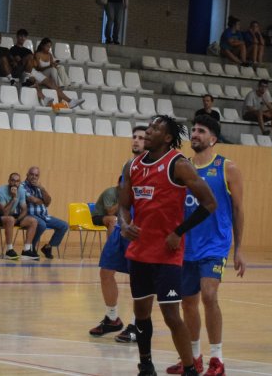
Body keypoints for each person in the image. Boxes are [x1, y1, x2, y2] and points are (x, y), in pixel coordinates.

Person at [118, 116, 218, 376]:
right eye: (148, 127)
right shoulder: (132, 165)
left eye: (154, 129)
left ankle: (189, 369)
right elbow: (122, 205)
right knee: (141, 313)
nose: (147, 132)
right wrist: (124, 224)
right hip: (139, 253)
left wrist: (178, 232)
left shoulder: (179, 165)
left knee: (172, 315)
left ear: (166, 137)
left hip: (167, 255)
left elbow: (209, 203)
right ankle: (146, 365)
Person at [164, 115, 245, 376]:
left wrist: (239, 249)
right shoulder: (183, 167)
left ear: (213, 138)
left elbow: (238, 209)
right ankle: (194, 357)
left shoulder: (227, 167)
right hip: (187, 245)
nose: (195, 134)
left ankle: (217, 359)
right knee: (188, 303)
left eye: (201, 131)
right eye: (194, 130)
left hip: (215, 244)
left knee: (209, 295)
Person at [90, 125, 148, 342]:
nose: (136, 141)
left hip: (140, 230)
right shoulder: (128, 166)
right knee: (106, 271)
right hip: (122, 226)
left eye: (141, 138)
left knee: (139, 279)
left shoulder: (153, 168)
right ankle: (112, 318)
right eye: (134, 137)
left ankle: (137, 324)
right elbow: (123, 200)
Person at [22, 166, 69, 259]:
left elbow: (48, 201)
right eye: (31, 174)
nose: (34, 177)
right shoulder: (22, 186)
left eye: (36, 175)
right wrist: (43, 200)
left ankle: (48, 247)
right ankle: (31, 247)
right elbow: (33, 200)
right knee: (42, 225)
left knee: (64, 225)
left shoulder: (39, 187)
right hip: (30, 216)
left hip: (44, 215)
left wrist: (42, 189)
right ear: (27, 175)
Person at [0, 172, 39, 260]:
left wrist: (17, 220)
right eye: (13, 180)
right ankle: (9, 250)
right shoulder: (0, 192)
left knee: (33, 221)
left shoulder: (21, 190)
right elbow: (4, 213)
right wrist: (14, 198)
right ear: (9, 181)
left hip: (11, 216)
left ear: (19, 182)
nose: (15, 183)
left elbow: (24, 209)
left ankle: (27, 251)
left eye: (17, 181)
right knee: (10, 219)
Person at [28, 38, 71, 106]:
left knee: (60, 67)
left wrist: (54, 65)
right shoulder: (38, 54)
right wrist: (50, 66)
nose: (49, 48)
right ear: (42, 46)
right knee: (52, 69)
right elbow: (38, 68)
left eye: (50, 46)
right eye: (47, 46)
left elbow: (52, 65)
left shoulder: (49, 55)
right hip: (41, 73)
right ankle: (59, 86)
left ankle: (65, 84)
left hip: (49, 73)